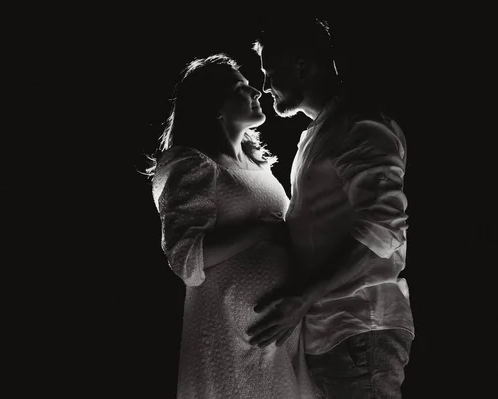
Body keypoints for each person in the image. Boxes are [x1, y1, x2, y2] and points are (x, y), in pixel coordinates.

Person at [245, 11, 415, 399]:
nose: (266, 85)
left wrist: (303, 298)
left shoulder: (360, 125)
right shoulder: (317, 134)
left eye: (270, 71)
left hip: (360, 330)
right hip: (333, 335)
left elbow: (384, 229)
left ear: (301, 66)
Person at [144, 53, 317, 398]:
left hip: (278, 344)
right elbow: (186, 257)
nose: (256, 90)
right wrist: (262, 231)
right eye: (241, 86)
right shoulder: (191, 164)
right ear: (215, 106)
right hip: (227, 344)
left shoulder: (259, 168)